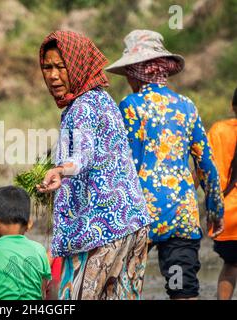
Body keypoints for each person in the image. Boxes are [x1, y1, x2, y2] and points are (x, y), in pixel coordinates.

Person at [106, 29, 224, 300]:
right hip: (181, 214)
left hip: (141, 216)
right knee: (182, 287)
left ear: (136, 73)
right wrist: (215, 208)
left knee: (126, 284)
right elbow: (206, 162)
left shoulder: (130, 106)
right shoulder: (186, 106)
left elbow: (127, 165)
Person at [36, 30, 152, 300]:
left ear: (76, 65)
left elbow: (83, 155)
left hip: (101, 229)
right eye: (47, 67)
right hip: (132, 222)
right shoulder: (102, 100)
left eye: (60, 67)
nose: (52, 76)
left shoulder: (82, 107)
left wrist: (62, 169)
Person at [207, 88, 237, 300]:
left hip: (228, 215)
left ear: (233, 106)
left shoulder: (219, 130)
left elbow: (206, 171)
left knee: (231, 264)